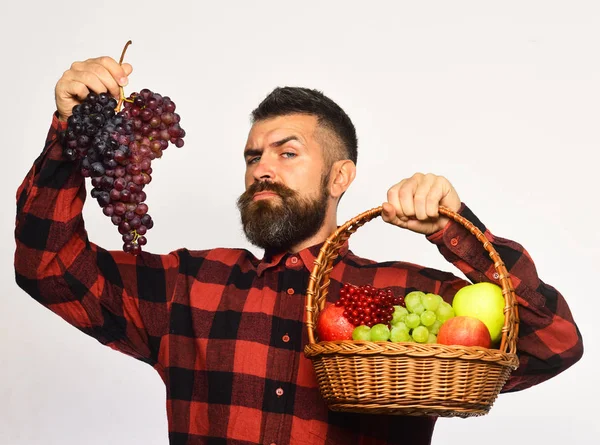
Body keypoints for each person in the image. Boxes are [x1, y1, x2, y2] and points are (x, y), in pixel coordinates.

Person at [14, 56, 583, 445]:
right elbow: (47, 266)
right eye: (253, 156)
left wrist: (456, 230)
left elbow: (553, 342)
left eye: (287, 153)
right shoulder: (189, 285)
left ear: (341, 176)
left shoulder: (414, 297)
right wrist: (71, 129)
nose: (261, 168)